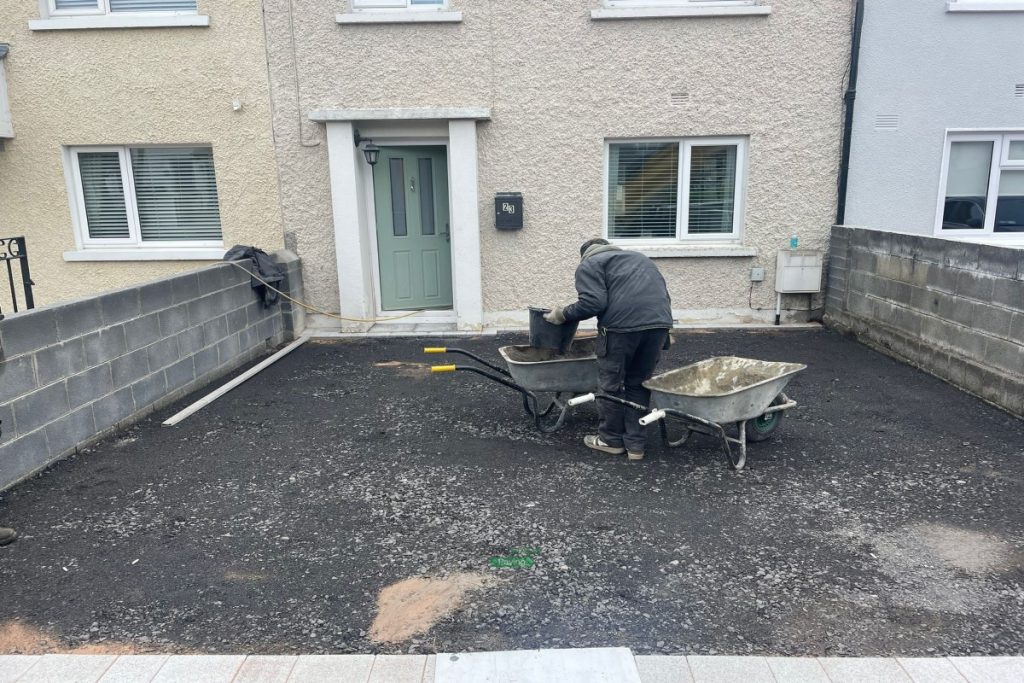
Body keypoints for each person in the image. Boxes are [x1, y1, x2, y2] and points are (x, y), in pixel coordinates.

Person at [544, 238, 673, 461]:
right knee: (638, 383)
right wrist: (664, 332)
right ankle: (635, 445)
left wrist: (562, 314)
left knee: (610, 384)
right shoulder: (641, 260)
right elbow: (663, 296)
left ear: (585, 254)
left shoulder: (590, 264)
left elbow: (593, 303)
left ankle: (610, 440)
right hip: (659, 325)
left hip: (620, 329)